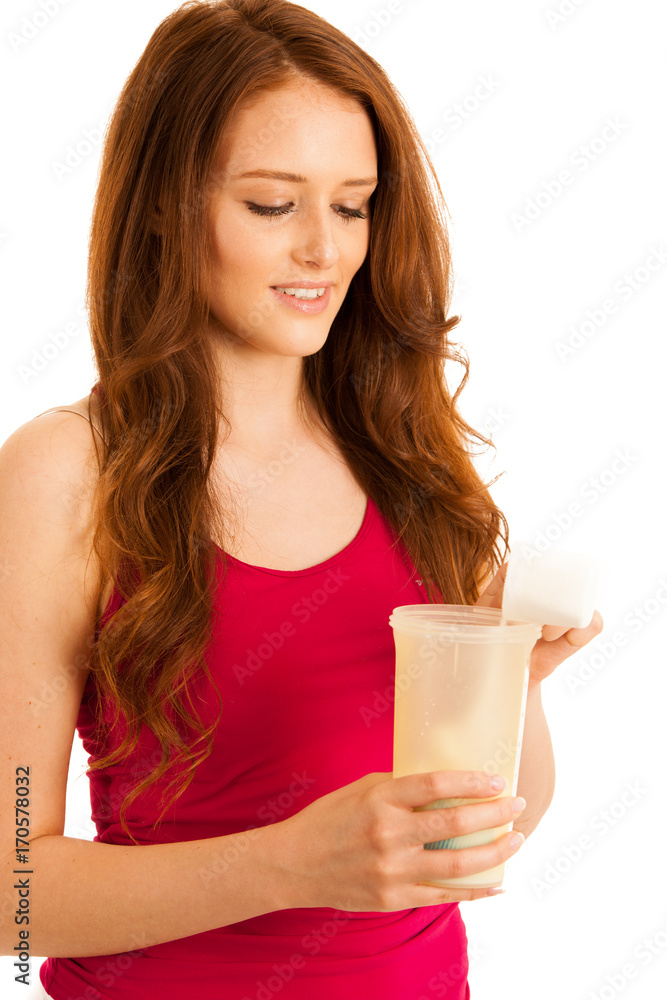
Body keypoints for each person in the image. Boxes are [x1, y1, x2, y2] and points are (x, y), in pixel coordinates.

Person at [0, 1, 603, 997]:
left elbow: (486, 832)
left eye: (353, 205)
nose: (324, 250)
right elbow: (10, 897)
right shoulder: (66, 471)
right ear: (163, 206)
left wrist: (507, 687)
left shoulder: (405, 454)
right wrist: (288, 864)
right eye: (273, 205)